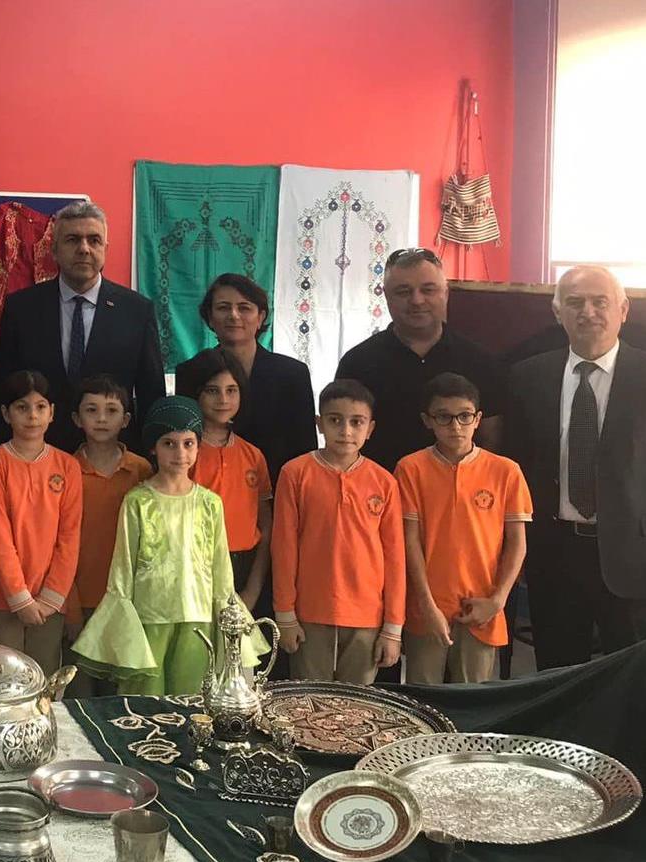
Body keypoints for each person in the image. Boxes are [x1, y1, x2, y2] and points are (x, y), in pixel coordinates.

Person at [505, 266, 646, 668]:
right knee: (558, 676)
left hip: (636, 560)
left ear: (623, 310)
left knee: (634, 678)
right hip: (554, 554)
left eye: (601, 302)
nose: (588, 312)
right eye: (575, 302)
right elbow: (516, 470)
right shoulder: (528, 377)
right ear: (557, 312)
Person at [71, 396, 264, 695]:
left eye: (188, 444)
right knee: (145, 704)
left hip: (198, 619)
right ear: (153, 447)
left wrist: (225, 618)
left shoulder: (210, 503)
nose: (180, 453)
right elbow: (123, 569)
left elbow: (221, 569)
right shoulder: (138, 501)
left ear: (198, 447)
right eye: (169, 444)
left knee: (192, 703)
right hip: (149, 620)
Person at [0, 201, 165, 451]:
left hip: (113, 457)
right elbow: (3, 387)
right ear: (54, 250)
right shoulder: (21, 308)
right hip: (37, 454)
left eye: (94, 240)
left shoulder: (137, 310)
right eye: (72, 240)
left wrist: (152, 456)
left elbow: (152, 393)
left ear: (105, 249)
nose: (84, 249)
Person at [395, 373, 531, 684]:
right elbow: (409, 542)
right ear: (427, 420)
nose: (455, 426)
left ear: (478, 419)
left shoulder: (506, 471)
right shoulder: (411, 468)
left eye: (464, 416)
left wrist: (497, 601)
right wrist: (426, 604)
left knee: (474, 698)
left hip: (482, 607)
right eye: (443, 417)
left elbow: (517, 544)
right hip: (427, 607)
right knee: (422, 697)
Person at [272, 380, 405, 684]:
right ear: (319, 423)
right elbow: (283, 547)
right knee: (308, 701)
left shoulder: (384, 482)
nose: (346, 431)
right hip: (310, 613)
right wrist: (285, 615)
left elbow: (395, 558)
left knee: (357, 704)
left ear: (370, 428)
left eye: (356, 422)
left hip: (367, 616)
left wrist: (393, 628)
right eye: (335, 420)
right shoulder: (295, 473)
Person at [335, 248, 504, 471]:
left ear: (446, 292)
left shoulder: (480, 362)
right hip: (378, 489)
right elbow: (341, 443)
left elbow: (492, 440)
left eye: (428, 290)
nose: (416, 300)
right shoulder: (357, 364)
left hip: (461, 489)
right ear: (386, 296)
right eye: (403, 291)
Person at [0, 370, 83, 674]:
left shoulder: (68, 466)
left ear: (52, 413)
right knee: (2, 680)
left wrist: (51, 598)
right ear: (6, 414)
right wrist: (20, 598)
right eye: (22, 407)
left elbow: (69, 537)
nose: (32, 416)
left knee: (44, 679)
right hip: (3, 597)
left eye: (40, 407)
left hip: (51, 601)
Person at [175, 274, 314, 484]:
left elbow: (304, 450)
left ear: (260, 317)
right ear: (210, 318)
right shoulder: (190, 372)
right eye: (223, 308)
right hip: (204, 489)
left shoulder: (292, 374)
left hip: (276, 489)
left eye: (244, 308)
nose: (234, 315)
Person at [64, 374, 151, 697]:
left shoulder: (141, 471)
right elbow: (59, 544)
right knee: (79, 693)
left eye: (111, 411)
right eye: (91, 410)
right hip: (80, 599)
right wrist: (70, 608)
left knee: (123, 696)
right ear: (76, 418)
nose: (101, 418)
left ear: (126, 419)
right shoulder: (65, 470)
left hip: (128, 603)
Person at [180, 348, 274, 618]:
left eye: (232, 390)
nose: (223, 399)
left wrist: (252, 590)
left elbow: (266, 526)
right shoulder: (183, 453)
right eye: (212, 390)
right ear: (196, 393)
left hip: (244, 569)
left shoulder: (253, 455)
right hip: (193, 571)